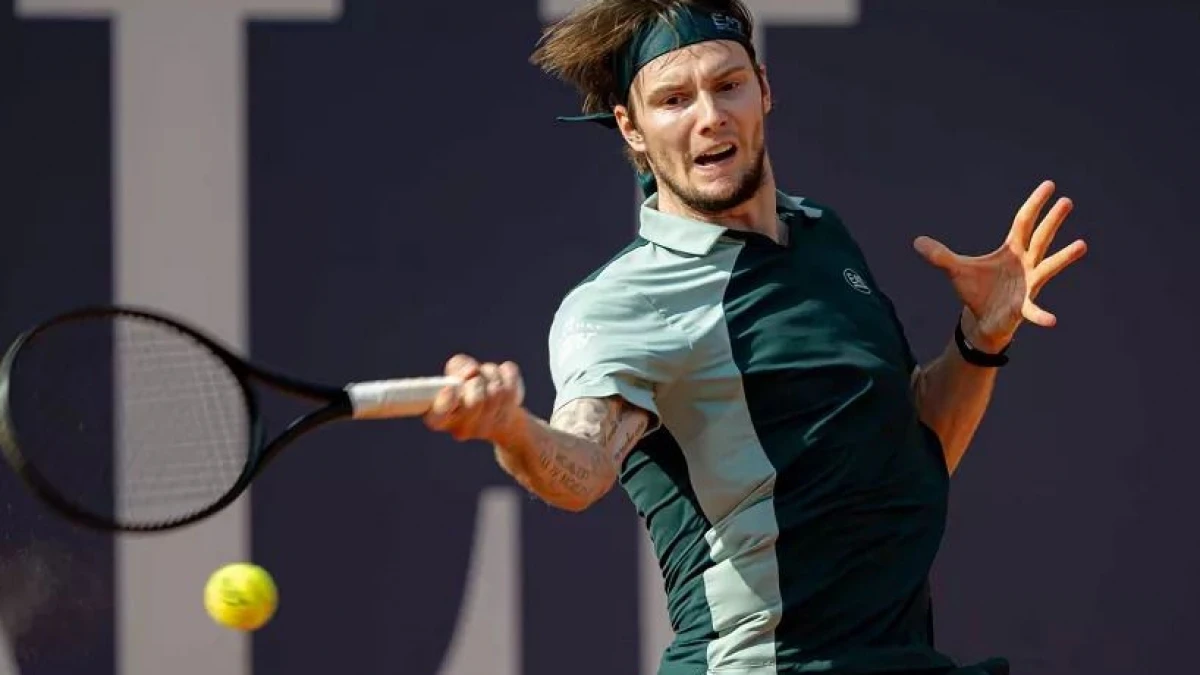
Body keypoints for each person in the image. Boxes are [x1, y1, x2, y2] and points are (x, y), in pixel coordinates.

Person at [423, 1, 1087, 673]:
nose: (710, 115)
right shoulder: (626, 303)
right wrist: (511, 429)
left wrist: (980, 339)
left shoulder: (821, 234)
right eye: (674, 100)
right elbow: (584, 466)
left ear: (763, 89)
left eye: (728, 85)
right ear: (631, 128)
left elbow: (913, 447)